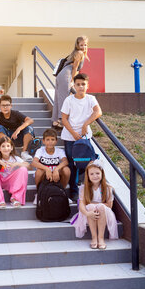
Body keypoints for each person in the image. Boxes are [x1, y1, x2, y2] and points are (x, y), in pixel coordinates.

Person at [61, 73, 102, 202]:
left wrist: (86, 124)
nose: (80, 87)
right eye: (78, 84)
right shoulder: (69, 100)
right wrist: (73, 133)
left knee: (87, 163)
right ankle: (73, 191)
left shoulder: (90, 98)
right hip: (69, 137)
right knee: (72, 165)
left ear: (87, 85)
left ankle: (87, 190)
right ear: (74, 85)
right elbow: (64, 119)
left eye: (83, 84)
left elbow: (98, 112)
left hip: (84, 137)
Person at [71, 160, 118, 249]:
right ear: (87, 176)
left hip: (104, 212)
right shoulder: (84, 188)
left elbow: (109, 205)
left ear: (102, 174)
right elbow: (81, 204)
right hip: (88, 213)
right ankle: (94, 237)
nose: (95, 176)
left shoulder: (108, 188)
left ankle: (101, 238)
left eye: (97, 173)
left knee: (100, 206)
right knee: (91, 206)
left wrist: (98, 206)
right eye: (91, 174)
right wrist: (88, 213)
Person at [52, 36, 88, 130]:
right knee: (64, 98)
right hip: (66, 74)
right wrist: (73, 80)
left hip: (61, 74)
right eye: (81, 45)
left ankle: (55, 121)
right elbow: (75, 68)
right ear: (77, 45)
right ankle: (62, 121)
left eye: (85, 45)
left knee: (58, 97)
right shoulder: (80, 53)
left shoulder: (74, 53)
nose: (83, 47)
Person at [0, 136, 29, 208]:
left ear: (11, 148)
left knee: (23, 169)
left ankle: (15, 198)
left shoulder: (14, 157)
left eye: (8, 146)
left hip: (10, 182)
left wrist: (17, 164)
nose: (6, 148)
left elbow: (28, 165)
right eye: (3, 146)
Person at [32, 128, 70, 204]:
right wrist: (47, 169)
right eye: (48, 139)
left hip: (56, 176)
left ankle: (61, 192)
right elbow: (34, 163)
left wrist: (56, 169)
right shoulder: (40, 150)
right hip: (44, 176)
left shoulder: (59, 151)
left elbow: (65, 161)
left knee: (66, 170)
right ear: (43, 141)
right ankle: (39, 194)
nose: (50, 142)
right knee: (39, 171)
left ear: (56, 141)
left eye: (52, 140)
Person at [0, 95, 34, 162]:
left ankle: (24, 152)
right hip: (7, 138)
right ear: (0, 106)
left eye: (7, 105)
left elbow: (30, 120)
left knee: (29, 128)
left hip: (18, 138)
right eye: (3, 105)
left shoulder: (15, 114)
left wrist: (18, 129)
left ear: (11, 106)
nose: (5, 107)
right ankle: (7, 151)